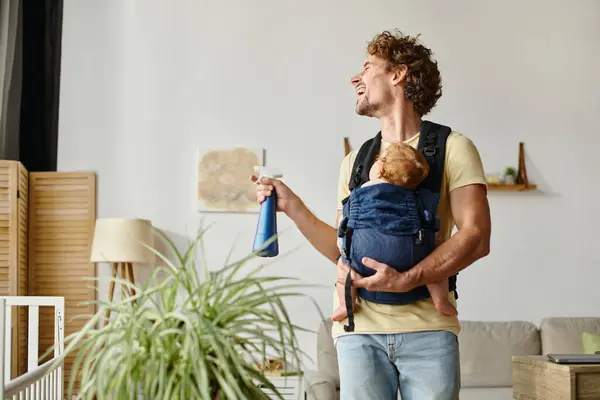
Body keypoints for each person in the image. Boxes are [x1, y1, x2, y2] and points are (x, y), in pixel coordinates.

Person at [252, 30, 491, 400]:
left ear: (398, 74)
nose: (354, 77)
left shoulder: (452, 148)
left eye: (367, 67)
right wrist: (292, 206)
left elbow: (476, 236)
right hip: (358, 330)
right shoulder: (356, 161)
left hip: (428, 331)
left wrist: (408, 278)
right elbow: (341, 248)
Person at [331, 142, 457, 323]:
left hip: (362, 254)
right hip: (408, 255)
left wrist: (343, 249)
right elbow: (428, 220)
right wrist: (434, 241)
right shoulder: (415, 197)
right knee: (435, 268)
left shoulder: (359, 192)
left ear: (380, 168)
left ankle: (345, 305)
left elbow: (343, 222)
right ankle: (441, 300)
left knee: (343, 270)